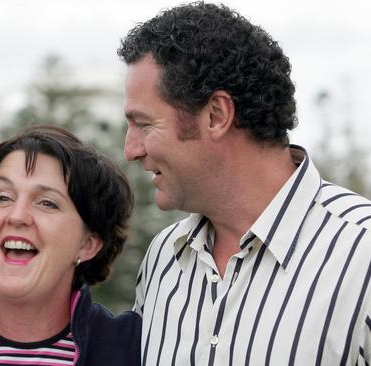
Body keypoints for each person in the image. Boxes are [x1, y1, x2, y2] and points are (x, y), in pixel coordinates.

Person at [117, 2, 371, 365]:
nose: (130, 150)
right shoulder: (163, 259)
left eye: (144, 124)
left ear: (216, 115)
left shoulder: (362, 255)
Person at [0, 125, 141, 365]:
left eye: (47, 203)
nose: (17, 216)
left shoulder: (134, 348)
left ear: (87, 244)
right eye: (3, 197)